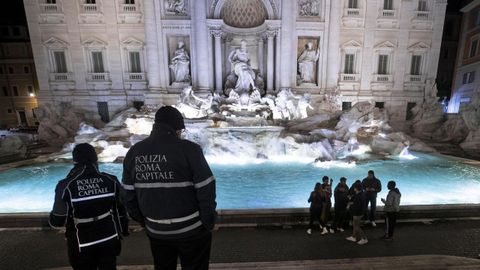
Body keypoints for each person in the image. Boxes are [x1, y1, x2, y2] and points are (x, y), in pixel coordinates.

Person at [122, 106, 217, 270]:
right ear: (177, 128)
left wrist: (145, 221)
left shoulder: (134, 152)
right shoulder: (190, 149)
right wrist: (207, 222)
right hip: (192, 229)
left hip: (157, 230)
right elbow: (206, 188)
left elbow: (128, 195)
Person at [49, 143, 129, 270]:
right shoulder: (111, 180)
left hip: (81, 243)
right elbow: (121, 211)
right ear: (95, 158)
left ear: (74, 160)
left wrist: (51, 220)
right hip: (109, 238)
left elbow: (58, 220)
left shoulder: (65, 185)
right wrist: (124, 230)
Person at [346, 181, 368, 245]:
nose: (353, 188)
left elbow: (357, 205)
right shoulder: (360, 194)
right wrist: (352, 202)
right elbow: (357, 203)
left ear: (356, 188)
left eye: (354, 187)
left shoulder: (359, 196)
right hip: (359, 212)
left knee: (357, 226)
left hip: (357, 213)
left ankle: (364, 239)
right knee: (355, 225)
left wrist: (350, 205)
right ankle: (353, 237)